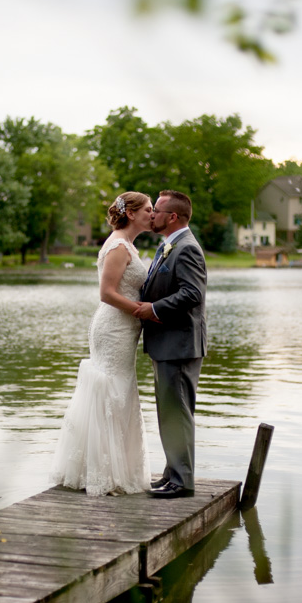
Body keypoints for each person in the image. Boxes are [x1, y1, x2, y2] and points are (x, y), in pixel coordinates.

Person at [49, 192, 154, 496]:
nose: (153, 214)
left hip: (123, 328)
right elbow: (106, 293)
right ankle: (103, 473)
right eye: (148, 209)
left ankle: (110, 469)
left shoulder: (127, 244)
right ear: (131, 213)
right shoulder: (119, 246)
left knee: (120, 389)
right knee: (113, 390)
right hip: (113, 328)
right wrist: (142, 311)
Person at [135, 190, 207, 499]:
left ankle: (182, 482)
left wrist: (154, 309)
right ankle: (172, 474)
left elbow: (192, 293)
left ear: (173, 217)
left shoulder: (186, 248)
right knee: (170, 412)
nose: (152, 215)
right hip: (167, 344)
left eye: (157, 210)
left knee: (177, 413)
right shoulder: (169, 245)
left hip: (179, 344)